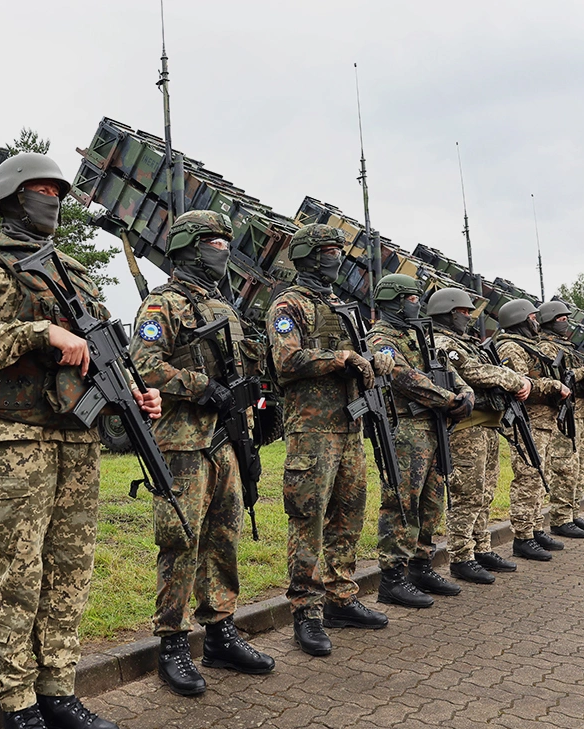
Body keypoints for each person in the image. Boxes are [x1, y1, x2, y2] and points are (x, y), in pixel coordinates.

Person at [0, 152, 160, 729]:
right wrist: (41, 331)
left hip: (77, 438)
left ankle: (59, 688)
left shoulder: (74, 271)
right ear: (13, 196)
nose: (54, 200)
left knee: (71, 567)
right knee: (21, 568)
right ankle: (18, 702)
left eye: (59, 193)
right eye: (43, 190)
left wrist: (137, 394)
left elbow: (103, 348)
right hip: (17, 438)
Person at [129, 210, 275, 697]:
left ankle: (219, 632)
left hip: (225, 440)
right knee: (180, 541)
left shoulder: (224, 308)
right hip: (183, 443)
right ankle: (172, 642)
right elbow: (145, 366)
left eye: (224, 242)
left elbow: (241, 362)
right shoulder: (161, 305)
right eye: (213, 241)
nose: (222, 250)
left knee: (223, 536)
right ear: (190, 247)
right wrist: (200, 386)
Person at [265, 223, 391, 657]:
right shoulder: (289, 303)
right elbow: (287, 358)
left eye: (338, 250)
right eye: (327, 250)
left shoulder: (343, 306)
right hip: (312, 432)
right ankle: (307, 611)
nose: (335, 257)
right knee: (309, 519)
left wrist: (377, 360)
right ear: (306, 255)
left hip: (351, 426)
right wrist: (340, 357)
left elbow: (362, 354)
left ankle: (341, 598)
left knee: (348, 515)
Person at [367, 274, 472, 607]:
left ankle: (421, 565)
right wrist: (449, 400)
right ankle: (392, 578)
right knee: (401, 504)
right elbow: (404, 379)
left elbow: (446, 371)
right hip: (406, 430)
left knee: (431, 502)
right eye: (413, 299)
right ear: (396, 301)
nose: (418, 304)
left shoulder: (419, 335)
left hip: (433, 427)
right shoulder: (380, 339)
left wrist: (465, 392)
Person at [427, 288, 530, 583]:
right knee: (467, 494)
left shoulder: (466, 341)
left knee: (485, 492)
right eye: (463, 312)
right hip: (465, 428)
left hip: (485, 424)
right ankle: (461, 555)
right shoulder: (444, 342)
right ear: (447, 313)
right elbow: (473, 372)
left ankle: (481, 547)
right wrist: (514, 379)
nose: (468, 317)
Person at [494, 299, 569, 560]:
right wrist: (553, 386)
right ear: (521, 319)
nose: (536, 322)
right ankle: (523, 537)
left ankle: (536, 527)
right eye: (533, 317)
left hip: (542, 421)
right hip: (527, 421)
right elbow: (521, 385)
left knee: (539, 476)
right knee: (527, 479)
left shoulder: (528, 346)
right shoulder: (511, 347)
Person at [536, 301, 584, 539]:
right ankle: (561, 517)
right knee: (564, 465)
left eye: (566, 318)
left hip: (579, 410)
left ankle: (572, 510)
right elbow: (563, 375)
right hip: (564, 413)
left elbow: (582, 370)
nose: (565, 322)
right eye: (561, 318)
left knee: (581, 465)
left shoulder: (567, 346)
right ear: (549, 321)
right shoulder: (547, 346)